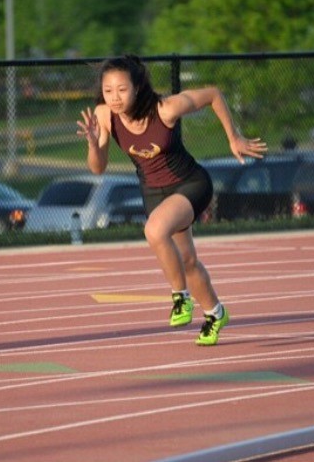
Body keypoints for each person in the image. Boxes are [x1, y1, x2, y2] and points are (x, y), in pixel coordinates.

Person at [76, 55, 268, 345]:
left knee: (154, 230)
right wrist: (93, 145)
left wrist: (234, 137)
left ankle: (181, 297)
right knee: (188, 261)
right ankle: (216, 313)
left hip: (191, 184)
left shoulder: (165, 109)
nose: (114, 97)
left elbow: (213, 94)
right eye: (108, 90)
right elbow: (98, 167)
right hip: (155, 193)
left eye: (122, 89)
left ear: (138, 87)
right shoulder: (104, 116)